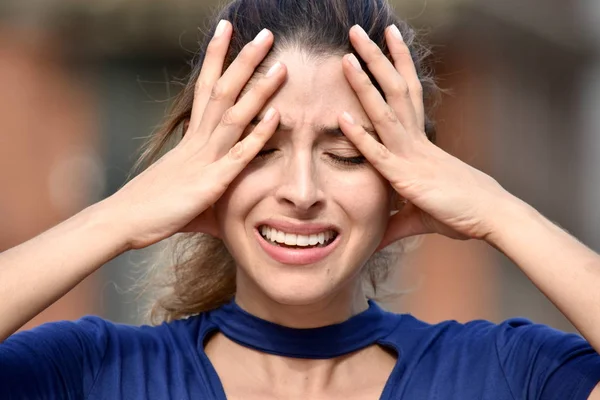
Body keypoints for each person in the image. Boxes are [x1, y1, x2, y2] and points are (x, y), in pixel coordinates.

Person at [1, 0, 600, 398]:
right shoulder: (92, 373)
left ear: (406, 178)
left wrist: (498, 210)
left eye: (346, 154)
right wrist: (119, 216)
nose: (303, 192)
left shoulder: (500, 374)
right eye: (260, 148)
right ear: (198, 170)